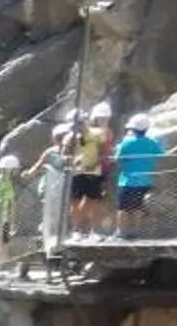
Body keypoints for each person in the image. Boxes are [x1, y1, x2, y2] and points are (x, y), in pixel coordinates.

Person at [67, 100, 116, 236]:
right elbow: (65, 153)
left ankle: (89, 229)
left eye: (79, 124)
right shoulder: (70, 137)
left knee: (92, 200)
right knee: (75, 201)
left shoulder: (97, 134)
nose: (76, 127)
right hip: (76, 172)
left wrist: (95, 163)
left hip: (93, 171)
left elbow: (103, 151)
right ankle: (77, 230)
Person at [114, 114, 167, 236]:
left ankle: (121, 232)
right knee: (137, 208)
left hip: (128, 181)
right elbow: (161, 153)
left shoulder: (127, 142)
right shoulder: (152, 142)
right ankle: (134, 232)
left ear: (133, 129)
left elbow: (117, 158)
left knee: (123, 208)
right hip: (145, 181)